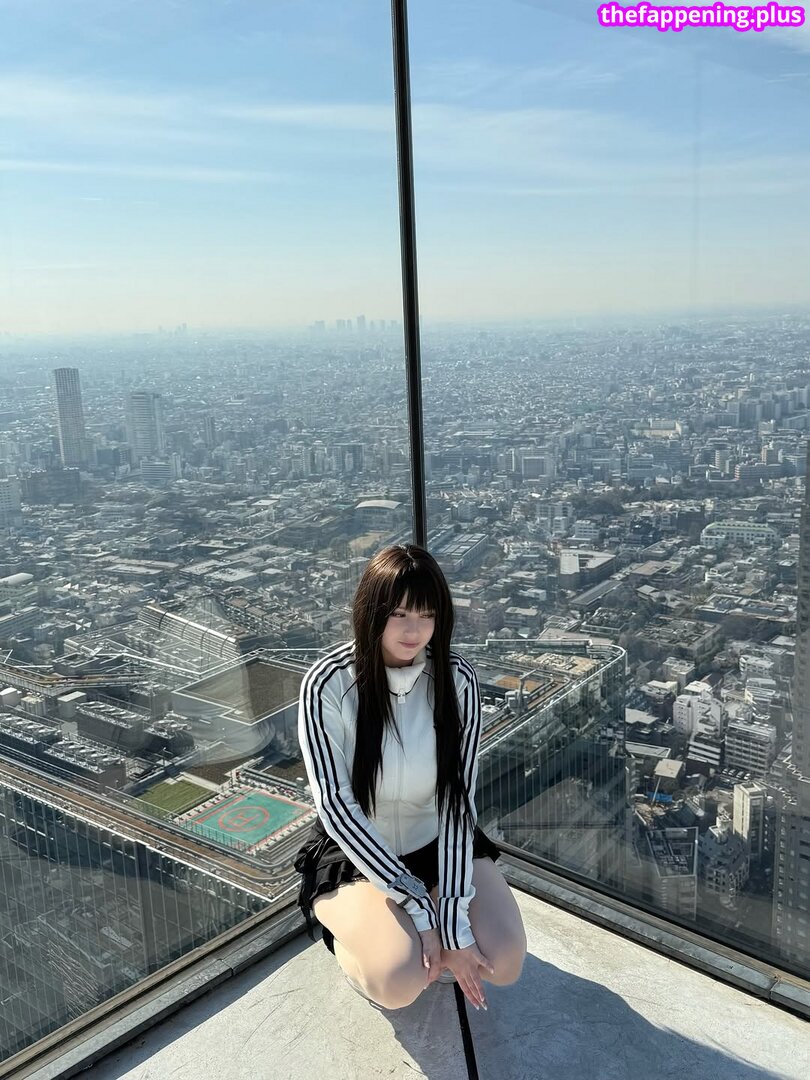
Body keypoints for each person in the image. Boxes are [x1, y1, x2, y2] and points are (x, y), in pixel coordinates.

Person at [294, 543, 526, 1012]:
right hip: (357, 851)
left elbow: (457, 803)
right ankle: (359, 945)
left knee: (504, 963)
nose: (414, 630)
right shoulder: (328, 684)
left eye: (426, 615)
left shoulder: (456, 680)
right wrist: (421, 910)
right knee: (399, 982)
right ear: (371, 611)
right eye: (398, 614)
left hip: (437, 840)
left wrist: (453, 924)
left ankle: (423, 933)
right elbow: (336, 806)